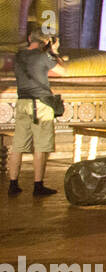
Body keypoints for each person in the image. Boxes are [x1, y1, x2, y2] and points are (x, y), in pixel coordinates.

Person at [8, 32, 67, 197]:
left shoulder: (18, 55)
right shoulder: (44, 56)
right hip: (40, 104)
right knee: (41, 145)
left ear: (29, 39)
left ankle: (13, 184)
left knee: (18, 146)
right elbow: (63, 71)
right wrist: (54, 51)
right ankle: (38, 185)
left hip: (22, 102)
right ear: (46, 42)